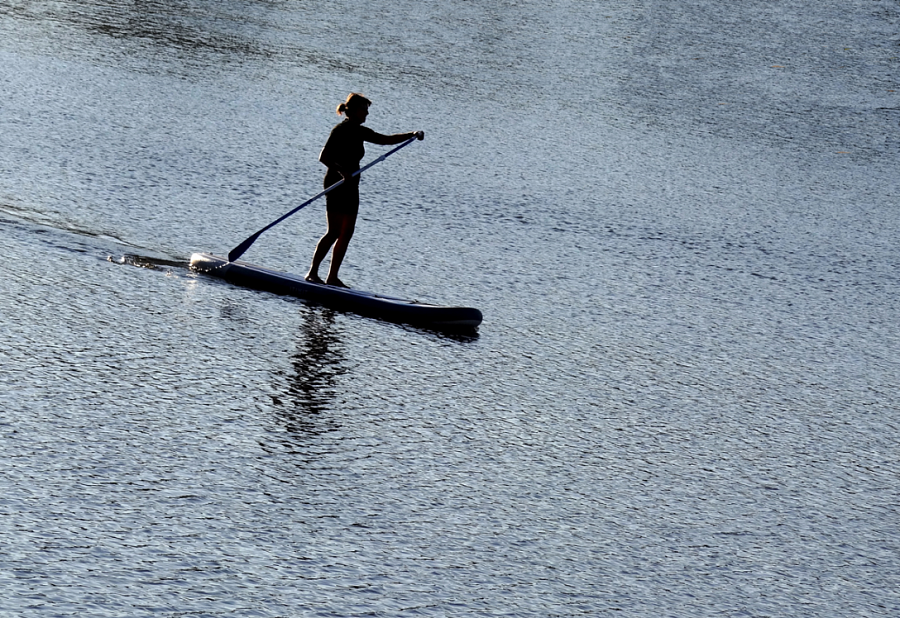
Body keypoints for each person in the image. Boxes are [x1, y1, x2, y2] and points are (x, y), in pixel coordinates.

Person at [305, 93, 424, 288]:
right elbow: (323, 157)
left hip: (352, 186)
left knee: (347, 233)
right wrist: (342, 170)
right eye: (364, 109)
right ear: (352, 110)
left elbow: (385, 140)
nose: (367, 113)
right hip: (336, 183)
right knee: (334, 231)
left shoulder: (360, 131)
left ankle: (332, 277)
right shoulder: (340, 130)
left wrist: (411, 135)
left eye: (367, 109)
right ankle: (312, 273)